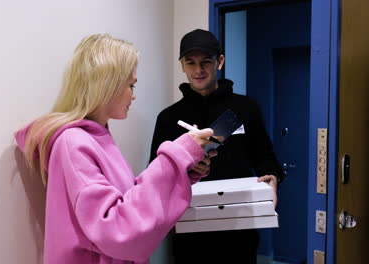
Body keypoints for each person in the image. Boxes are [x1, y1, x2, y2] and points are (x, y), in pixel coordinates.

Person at [14, 33, 217, 264]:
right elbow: (117, 230)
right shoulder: (73, 143)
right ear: (107, 85)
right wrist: (177, 156)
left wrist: (181, 172)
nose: (134, 94)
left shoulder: (98, 136)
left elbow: (128, 198)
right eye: (130, 85)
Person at [149, 29, 284, 264]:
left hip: (239, 228)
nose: (198, 70)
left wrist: (272, 176)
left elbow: (265, 156)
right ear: (182, 65)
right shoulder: (169, 118)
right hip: (190, 229)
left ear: (220, 61)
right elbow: (156, 171)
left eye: (206, 62)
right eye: (190, 62)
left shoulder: (246, 108)